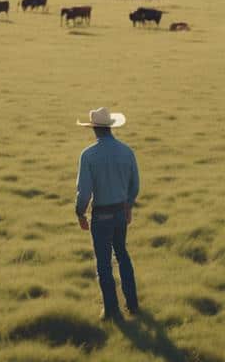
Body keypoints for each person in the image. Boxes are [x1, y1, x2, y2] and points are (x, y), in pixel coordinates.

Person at [75, 107, 140, 321]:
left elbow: (84, 192)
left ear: (94, 129)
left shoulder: (88, 155)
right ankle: (133, 304)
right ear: (111, 127)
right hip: (120, 213)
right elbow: (135, 184)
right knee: (122, 255)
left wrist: (81, 214)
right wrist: (128, 206)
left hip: (101, 215)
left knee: (104, 264)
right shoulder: (127, 151)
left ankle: (111, 311)